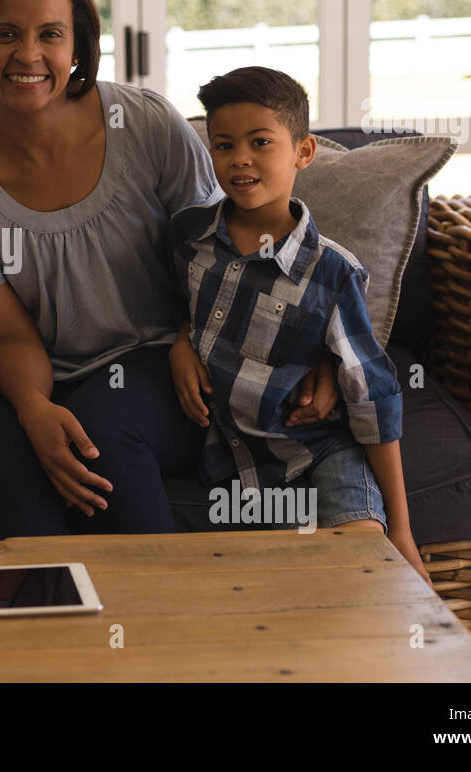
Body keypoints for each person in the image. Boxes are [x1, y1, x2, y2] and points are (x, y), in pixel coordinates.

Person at [0, 0, 341, 540]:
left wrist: (308, 348)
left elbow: (232, 255)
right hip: (21, 369)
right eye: (5, 34)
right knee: (18, 491)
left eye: (50, 34)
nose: (28, 54)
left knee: (101, 440)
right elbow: (7, 334)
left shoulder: (144, 125)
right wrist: (35, 410)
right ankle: (35, 622)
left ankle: (151, 622)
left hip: (159, 353)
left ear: (79, 46)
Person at [169, 66, 431, 583]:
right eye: (223, 145)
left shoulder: (332, 272)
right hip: (234, 460)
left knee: (364, 571)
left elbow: (372, 395)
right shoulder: (188, 238)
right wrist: (180, 342)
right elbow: (175, 307)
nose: (239, 158)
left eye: (260, 142)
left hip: (322, 454)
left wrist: (401, 531)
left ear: (303, 152)